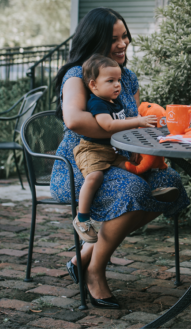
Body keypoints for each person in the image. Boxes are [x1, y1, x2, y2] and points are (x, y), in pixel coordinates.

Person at [50, 8, 190, 309]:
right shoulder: (77, 75)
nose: (122, 43)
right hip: (83, 164)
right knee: (134, 190)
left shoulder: (127, 77)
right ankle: (95, 271)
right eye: (114, 39)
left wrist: (155, 125)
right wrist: (123, 126)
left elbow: (136, 117)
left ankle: (86, 255)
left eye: (124, 36)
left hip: (123, 158)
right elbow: (74, 121)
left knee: (171, 183)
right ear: (96, 41)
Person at [71, 54, 180, 244]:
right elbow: (109, 126)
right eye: (110, 80)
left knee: (134, 168)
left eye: (119, 80)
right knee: (94, 177)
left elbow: (122, 120)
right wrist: (138, 121)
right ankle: (82, 218)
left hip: (112, 152)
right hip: (92, 151)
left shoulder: (115, 101)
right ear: (93, 85)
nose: (117, 85)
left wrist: (140, 123)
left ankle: (150, 193)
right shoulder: (96, 103)